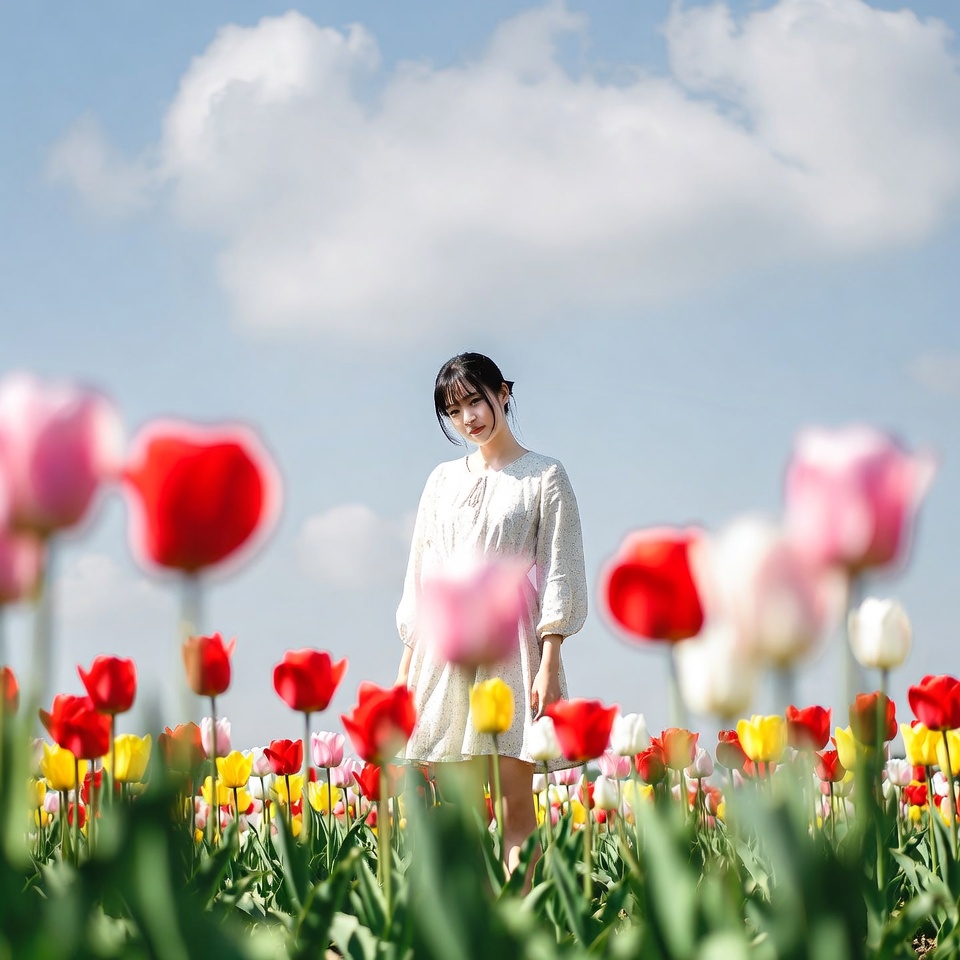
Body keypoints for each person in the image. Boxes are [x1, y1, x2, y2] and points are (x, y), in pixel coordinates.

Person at [395, 352, 587, 873]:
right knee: (458, 809)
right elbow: (423, 571)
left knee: (514, 806)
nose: (468, 419)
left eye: (476, 401)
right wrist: (408, 661)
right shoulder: (440, 481)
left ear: (503, 392)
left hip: (511, 643)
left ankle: (519, 931)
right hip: (448, 645)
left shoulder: (544, 475)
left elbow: (560, 570)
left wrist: (549, 660)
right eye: (454, 412)